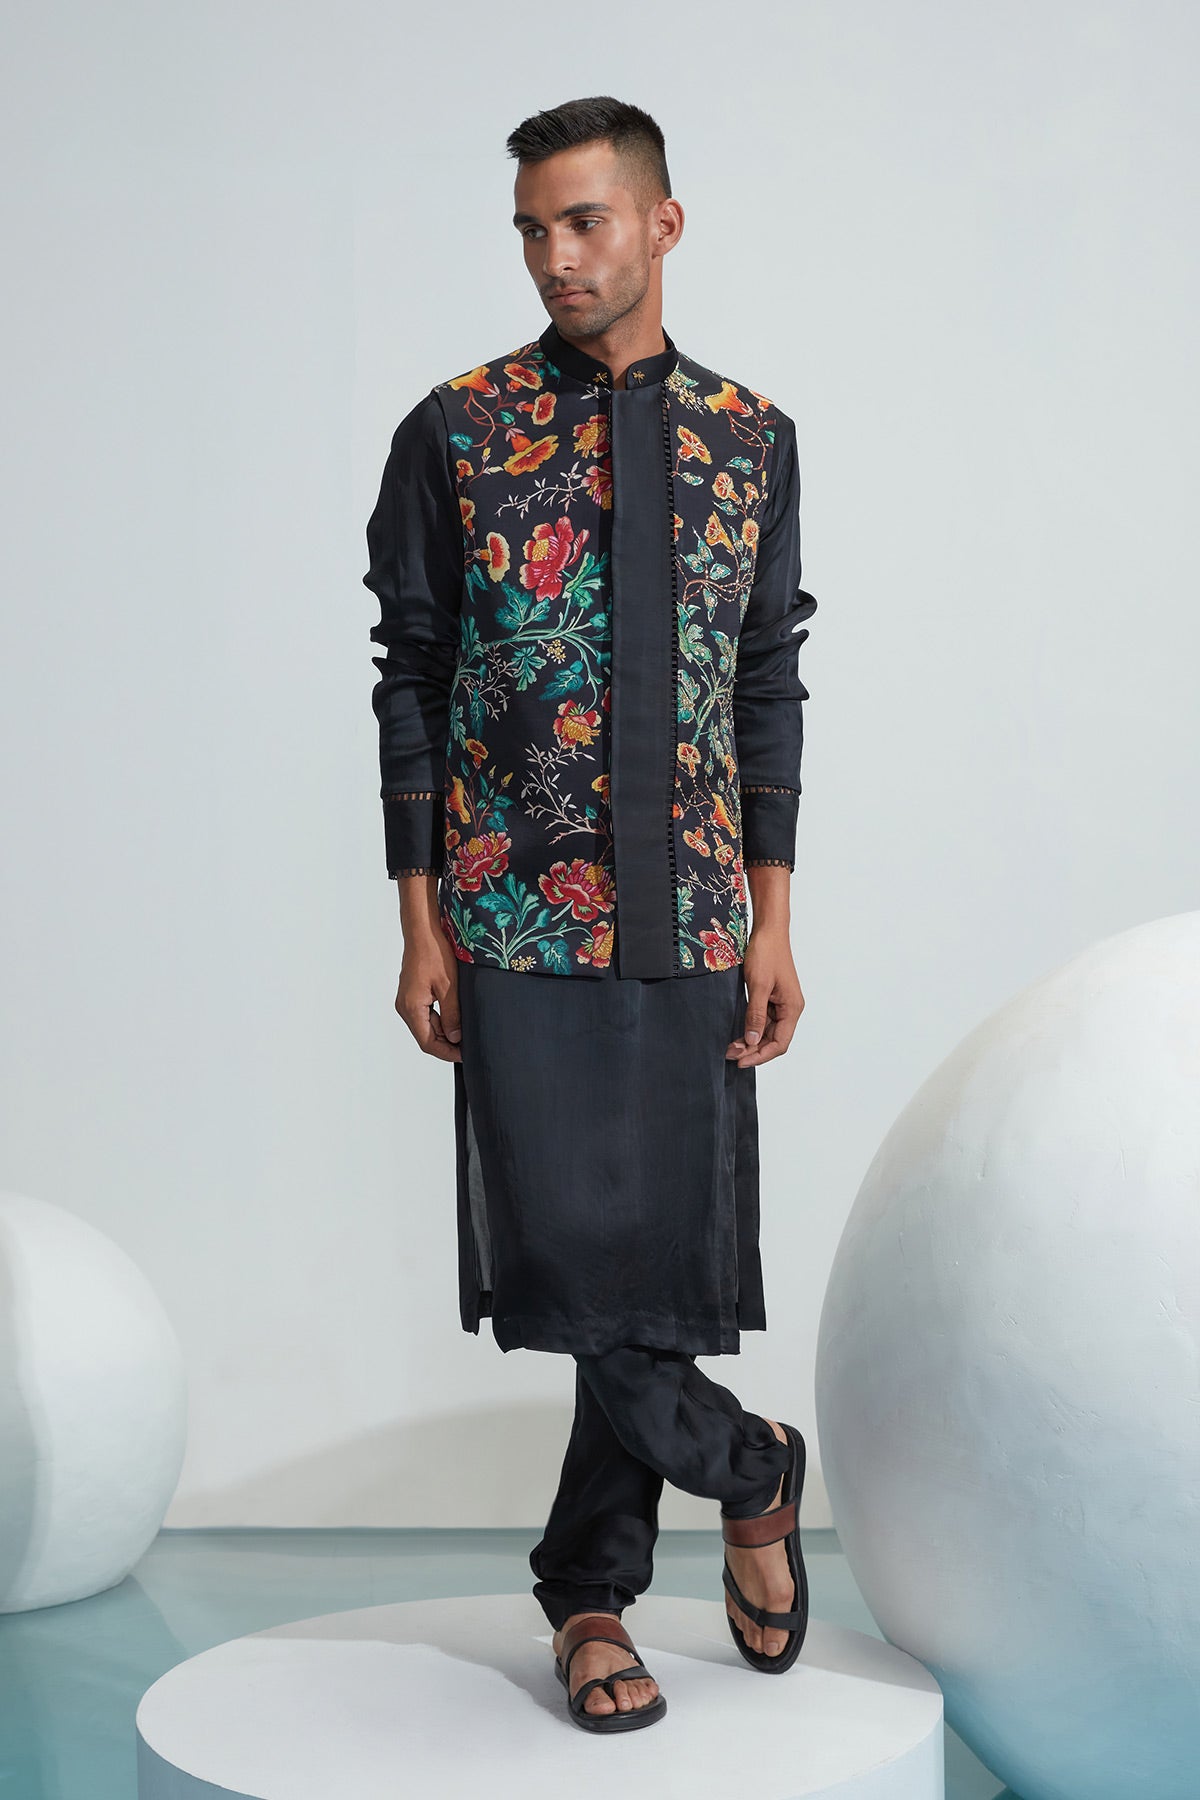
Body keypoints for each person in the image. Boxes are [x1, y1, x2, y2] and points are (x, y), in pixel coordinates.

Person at [362, 94, 817, 1734]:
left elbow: (764, 683)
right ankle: (752, 1472)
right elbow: (412, 680)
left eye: (584, 221)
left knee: (653, 1281)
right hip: (514, 919)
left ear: (661, 225)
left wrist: (774, 920)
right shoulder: (456, 432)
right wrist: (420, 921)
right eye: (532, 231)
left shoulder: (750, 438)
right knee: (565, 1269)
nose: (555, 256)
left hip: (693, 915)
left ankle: (591, 1599)